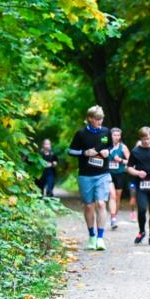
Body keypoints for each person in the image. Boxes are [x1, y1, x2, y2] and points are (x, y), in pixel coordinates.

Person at [68, 105, 112, 251]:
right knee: (89, 205)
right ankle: (92, 236)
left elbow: (111, 146)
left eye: (102, 119)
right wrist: (84, 153)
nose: (100, 122)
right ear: (89, 119)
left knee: (101, 203)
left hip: (103, 173)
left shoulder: (106, 132)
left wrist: (108, 151)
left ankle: (100, 238)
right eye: (97, 119)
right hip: (86, 175)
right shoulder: (81, 134)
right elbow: (71, 151)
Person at [126, 126, 150, 245]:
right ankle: (142, 231)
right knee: (142, 209)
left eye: (147, 138)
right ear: (140, 138)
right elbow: (129, 168)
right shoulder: (136, 151)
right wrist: (137, 173)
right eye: (143, 138)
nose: (145, 141)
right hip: (140, 186)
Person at [107, 127, 130, 230]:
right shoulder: (106, 147)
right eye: (114, 135)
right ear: (111, 136)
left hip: (119, 174)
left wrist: (120, 160)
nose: (117, 137)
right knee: (112, 195)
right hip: (108, 174)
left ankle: (114, 217)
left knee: (117, 196)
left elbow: (130, 162)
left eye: (118, 135)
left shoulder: (123, 147)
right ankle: (113, 219)